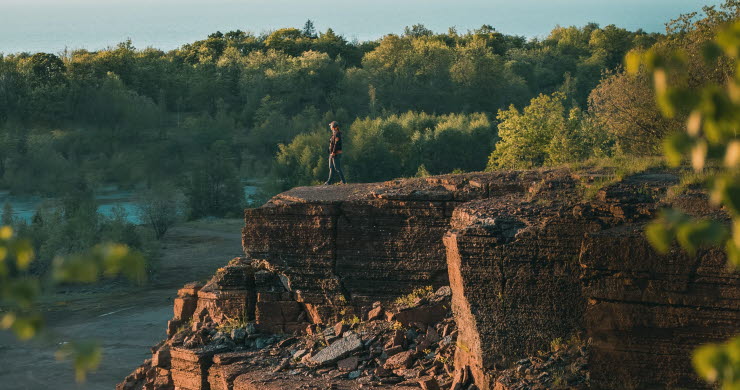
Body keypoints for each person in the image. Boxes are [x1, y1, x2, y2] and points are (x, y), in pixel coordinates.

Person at [324, 121, 346, 185]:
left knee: (337, 168)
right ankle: (329, 182)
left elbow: (336, 144)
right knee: (331, 167)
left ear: (334, 127)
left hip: (335, 153)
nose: (330, 127)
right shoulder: (334, 133)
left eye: (331, 126)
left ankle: (343, 181)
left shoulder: (337, 134)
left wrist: (333, 152)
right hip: (332, 153)